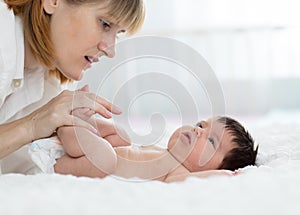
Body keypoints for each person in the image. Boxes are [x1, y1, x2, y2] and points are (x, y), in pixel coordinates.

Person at [0, 0, 145, 174]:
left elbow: (23, 168)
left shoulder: (50, 83)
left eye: (118, 33)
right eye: (105, 24)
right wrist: (32, 125)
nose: (110, 50)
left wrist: (80, 145)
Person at [30, 112, 258, 182]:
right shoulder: (160, 150)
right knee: (122, 135)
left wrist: (224, 175)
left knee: (108, 159)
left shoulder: (179, 173)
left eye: (210, 141)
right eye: (201, 125)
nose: (198, 131)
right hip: (79, 152)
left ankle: (69, 124)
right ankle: (74, 120)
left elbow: (193, 183)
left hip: (67, 165)